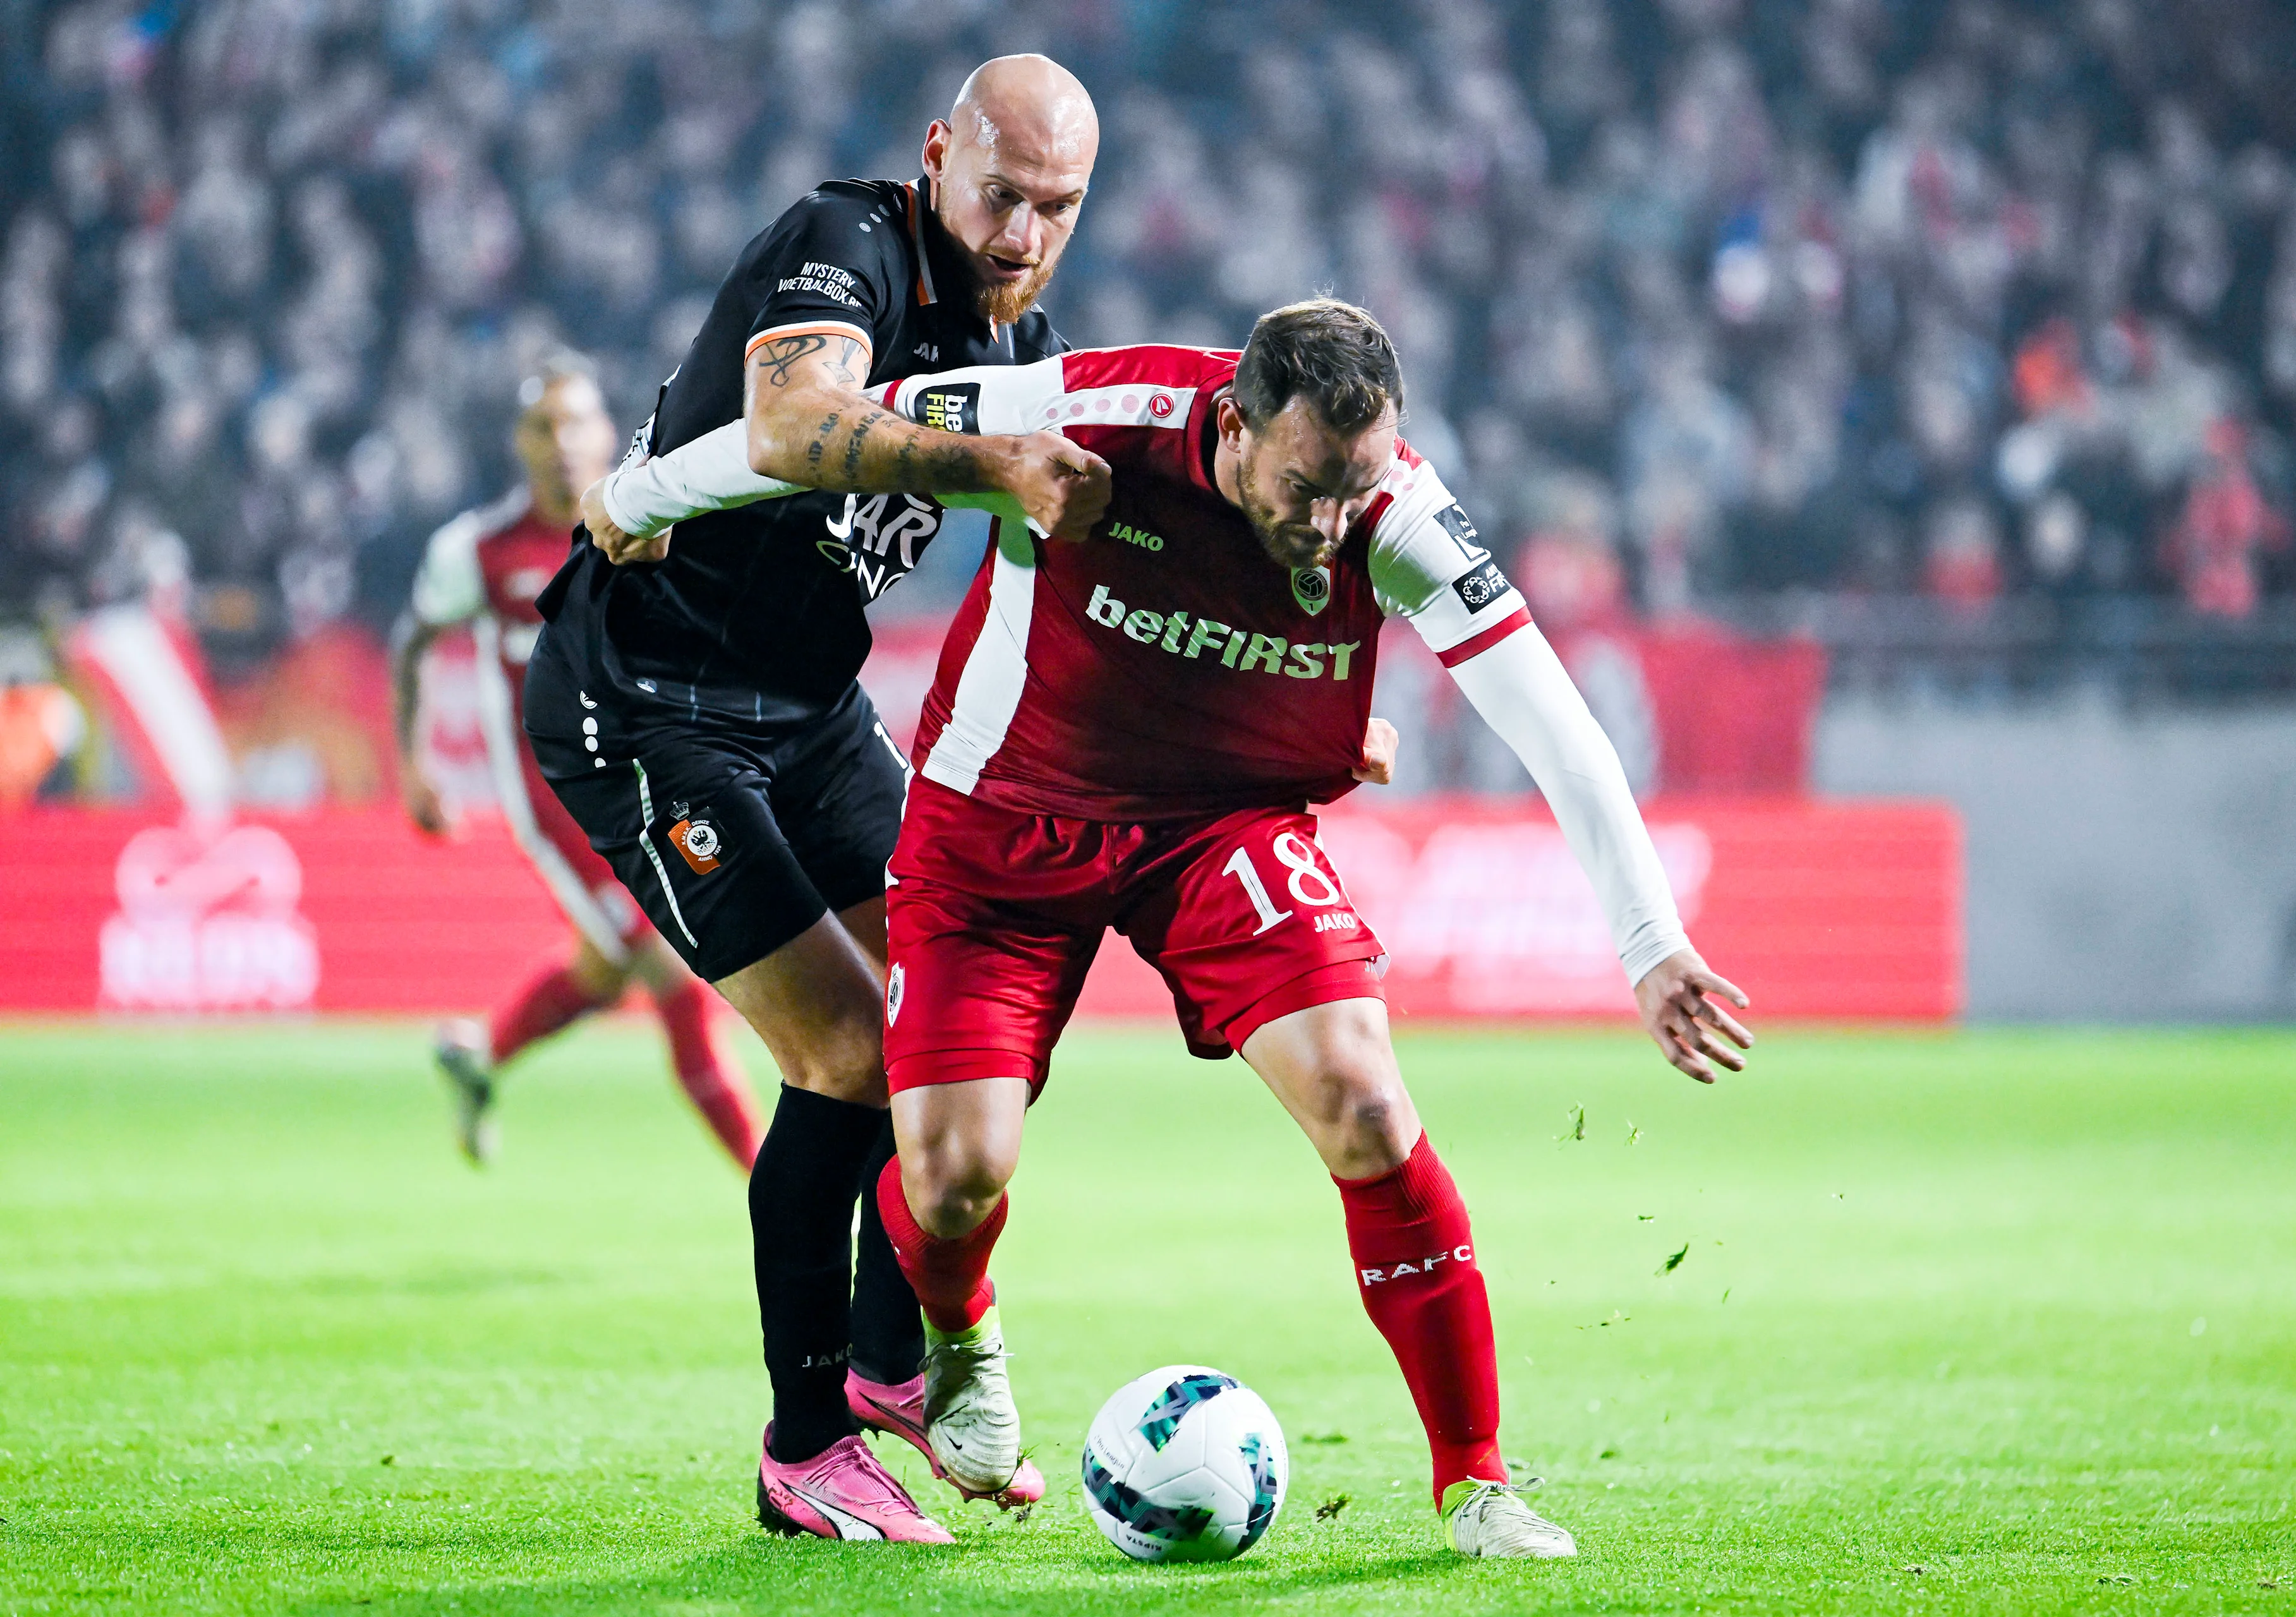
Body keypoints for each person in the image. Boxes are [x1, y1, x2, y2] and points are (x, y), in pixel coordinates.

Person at [620, 299, 1758, 1560]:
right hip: (1004, 817)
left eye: (1355, 486)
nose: (1329, 520)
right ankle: (957, 1329)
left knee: (1367, 1104)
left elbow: (1554, 725)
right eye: (1306, 483)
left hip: (1218, 828)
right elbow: (821, 425)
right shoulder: (1091, 415)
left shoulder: (1397, 515)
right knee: (952, 1177)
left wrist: (1650, 943)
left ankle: (1475, 1479)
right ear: (1233, 424)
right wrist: (649, 492)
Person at [526, 55, 1113, 1542]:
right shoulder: (842, 244)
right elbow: (794, 428)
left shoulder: (1023, 338)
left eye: (1057, 207)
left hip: (811, 712)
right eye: (1000, 193)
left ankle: (885, 1359)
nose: (1022, 233)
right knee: (852, 1056)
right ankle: (803, 1449)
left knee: (971, 1018)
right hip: (651, 703)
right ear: (937, 157)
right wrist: (990, 458)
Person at [390, 356, 760, 1171]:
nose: (562, 444)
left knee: (607, 967)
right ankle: (778, 1188)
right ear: (519, 444)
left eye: (577, 423)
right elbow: (412, 640)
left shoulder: (653, 517)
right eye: (543, 427)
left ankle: (479, 1060)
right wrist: (414, 766)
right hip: (557, 801)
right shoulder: (480, 551)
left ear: (606, 431)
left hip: (650, 783)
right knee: (672, 964)